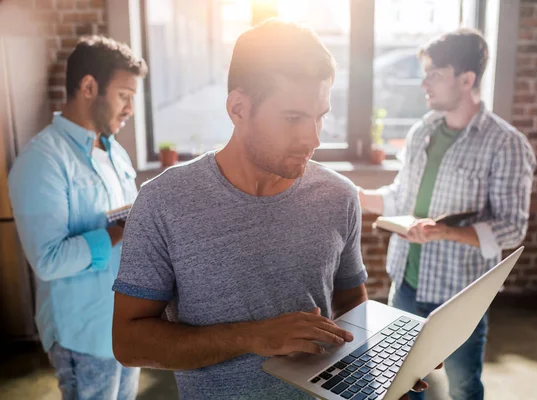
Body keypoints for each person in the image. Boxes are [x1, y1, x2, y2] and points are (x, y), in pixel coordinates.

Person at [111, 20, 435, 400]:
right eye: (293, 118)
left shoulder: (338, 195)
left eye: (321, 116)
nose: (313, 138)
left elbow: (350, 304)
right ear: (238, 108)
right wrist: (253, 336)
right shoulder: (163, 202)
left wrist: (384, 364)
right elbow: (129, 342)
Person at [358, 28, 536, 400]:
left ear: (467, 79)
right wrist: (356, 195)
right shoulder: (422, 131)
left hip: (459, 297)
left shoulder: (507, 144)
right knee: (404, 386)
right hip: (405, 285)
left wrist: (445, 232)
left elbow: (512, 228)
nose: (424, 83)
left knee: (464, 387)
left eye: (434, 74)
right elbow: (401, 198)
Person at [8, 36, 147, 399]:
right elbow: (49, 261)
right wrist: (120, 231)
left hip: (125, 326)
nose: (130, 107)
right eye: (123, 95)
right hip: (84, 335)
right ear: (89, 87)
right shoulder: (43, 160)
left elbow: (126, 223)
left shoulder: (115, 153)